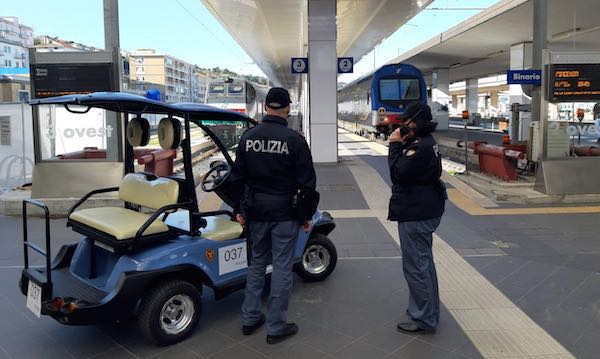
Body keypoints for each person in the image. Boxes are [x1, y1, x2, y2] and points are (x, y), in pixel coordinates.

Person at [231, 87, 318, 344]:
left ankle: (250, 318)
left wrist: (240, 210)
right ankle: (276, 326)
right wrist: (306, 215)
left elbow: (237, 179)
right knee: (281, 266)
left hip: (256, 212)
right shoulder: (295, 140)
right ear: (288, 108)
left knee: (257, 263)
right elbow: (307, 184)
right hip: (285, 214)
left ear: (266, 107)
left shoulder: (248, 137)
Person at [388, 102, 447, 334]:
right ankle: (429, 312)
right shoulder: (427, 143)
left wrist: (394, 146)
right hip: (426, 208)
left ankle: (423, 318)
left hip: (417, 212)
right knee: (425, 265)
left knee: (416, 267)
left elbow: (397, 173)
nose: (404, 125)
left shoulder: (419, 147)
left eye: (407, 121)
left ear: (417, 121)